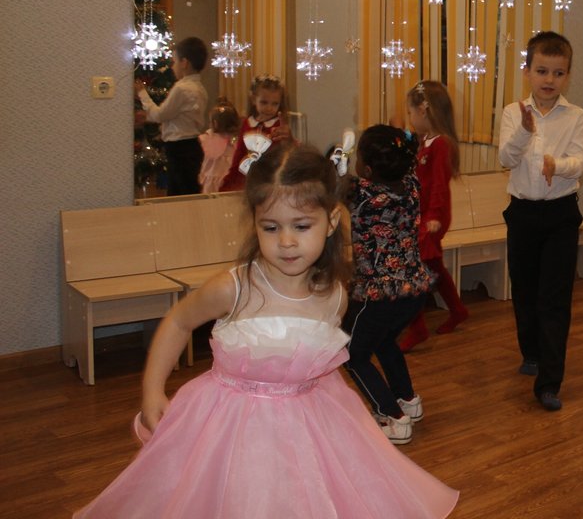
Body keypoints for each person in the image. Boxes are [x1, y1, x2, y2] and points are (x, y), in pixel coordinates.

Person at [73, 143, 458, 518]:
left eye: (301, 226)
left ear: (331, 222)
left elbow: (314, 365)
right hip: (228, 431)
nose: (286, 241)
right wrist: (152, 389)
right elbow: (178, 321)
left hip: (305, 432)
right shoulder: (233, 288)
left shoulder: (335, 297)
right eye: (270, 227)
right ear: (255, 222)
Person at [498, 31, 583, 411]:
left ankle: (550, 382)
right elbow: (505, 158)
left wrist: (558, 165)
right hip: (522, 214)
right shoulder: (512, 112)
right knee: (524, 291)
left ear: (567, 76)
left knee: (554, 298)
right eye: (542, 71)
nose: (550, 79)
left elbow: (580, 162)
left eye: (558, 73)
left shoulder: (576, 115)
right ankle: (531, 352)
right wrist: (524, 130)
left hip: (560, 215)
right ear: (528, 71)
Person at [342, 124, 435, 444]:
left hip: (378, 294)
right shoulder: (411, 184)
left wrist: (336, 158)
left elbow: (330, 185)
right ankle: (407, 399)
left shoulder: (362, 195)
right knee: (384, 342)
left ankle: (392, 417)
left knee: (352, 353)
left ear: (367, 170)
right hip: (413, 290)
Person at [399, 80, 470, 352]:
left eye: (410, 112)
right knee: (433, 265)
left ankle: (417, 328)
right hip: (422, 214)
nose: (410, 118)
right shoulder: (424, 141)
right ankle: (458, 309)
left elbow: (439, 183)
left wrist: (433, 216)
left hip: (432, 216)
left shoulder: (440, 144)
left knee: (411, 268)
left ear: (423, 110)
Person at [136, 36, 209, 196]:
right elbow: (177, 116)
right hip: (191, 146)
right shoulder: (200, 88)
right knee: (187, 191)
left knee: (180, 194)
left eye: (174, 62)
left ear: (184, 63)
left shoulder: (182, 88)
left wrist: (142, 93)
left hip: (179, 148)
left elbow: (160, 114)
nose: (172, 66)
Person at [220, 74, 293, 192]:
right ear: (254, 99)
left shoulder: (279, 126)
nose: (269, 108)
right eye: (264, 102)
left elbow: (288, 154)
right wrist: (229, 179)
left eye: (275, 103)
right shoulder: (247, 123)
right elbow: (239, 154)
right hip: (246, 179)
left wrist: (287, 140)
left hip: (271, 180)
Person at [198, 98, 239, 194]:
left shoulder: (208, 139)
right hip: (229, 180)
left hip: (212, 181)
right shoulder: (236, 140)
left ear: (215, 123)